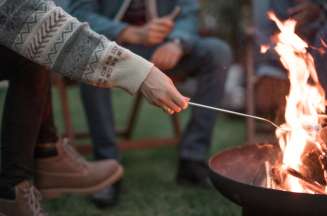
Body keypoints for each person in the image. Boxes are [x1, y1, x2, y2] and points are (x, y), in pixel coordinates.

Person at [0, 0, 188, 215]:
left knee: (30, 46)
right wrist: (140, 73)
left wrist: (176, 42)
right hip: (120, 39)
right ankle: (31, 169)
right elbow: (25, 15)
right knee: (33, 36)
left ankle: (36, 165)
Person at [67, 0, 232, 206]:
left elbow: (189, 12)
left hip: (162, 49)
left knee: (217, 52)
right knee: (92, 58)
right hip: (110, 46)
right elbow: (78, 13)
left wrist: (177, 42)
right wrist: (128, 32)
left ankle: (192, 159)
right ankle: (107, 166)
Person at [254, 0, 327, 119]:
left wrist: (321, 15)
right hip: (297, 48)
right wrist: (300, 21)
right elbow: (276, 33)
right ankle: (315, 120)